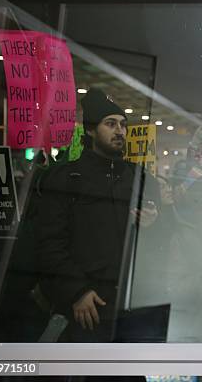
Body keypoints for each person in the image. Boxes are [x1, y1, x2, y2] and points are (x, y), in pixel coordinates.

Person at [34, 88, 159, 342]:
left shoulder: (142, 179)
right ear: (91, 130)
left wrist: (154, 225)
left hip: (131, 304)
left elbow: (161, 248)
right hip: (86, 307)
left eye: (123, 125)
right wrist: (76, 291)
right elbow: (48, 243)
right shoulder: (67, 178)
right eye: (110, 124)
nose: (120, 131)